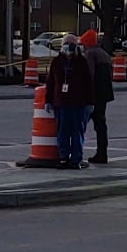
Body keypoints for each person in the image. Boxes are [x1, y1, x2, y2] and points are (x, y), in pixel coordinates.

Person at [44, 32, 94, 169]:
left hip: (78, 103)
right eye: (66, 44)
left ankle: (76, 159)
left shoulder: (82, 62)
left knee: (77, 132)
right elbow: (50, 83)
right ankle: (63, 158)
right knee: (62, 132)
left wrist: (90, 102)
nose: (68, 47)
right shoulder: (57, 62)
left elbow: (88, 83)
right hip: (61, 103)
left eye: (71, 44)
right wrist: (48, 100)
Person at [79, 29, 115, 164]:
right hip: (104, 94)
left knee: (81, 123)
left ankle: (75, 152)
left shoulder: (90, 54)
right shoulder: (104, 54)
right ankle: (102, 153)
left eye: (83, 44)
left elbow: (89, 75)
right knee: (100, 125)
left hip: (93, 95)